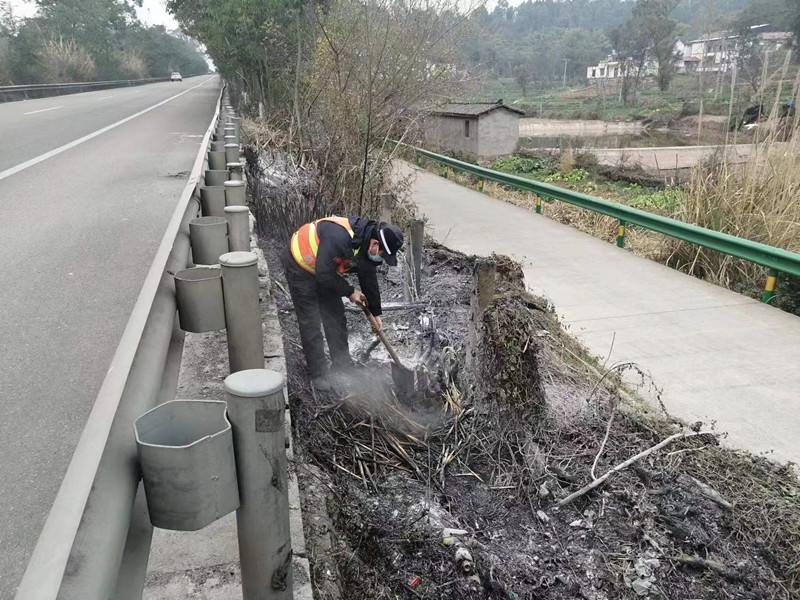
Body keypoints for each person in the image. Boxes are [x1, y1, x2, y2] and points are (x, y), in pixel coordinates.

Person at [283, 216, 404, 391]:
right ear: (375, 244)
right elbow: (323, 275)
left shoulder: (365, 243)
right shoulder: (339, 237)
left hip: (324, 270)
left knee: (336, 315)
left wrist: (376, 312)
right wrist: (349, 292)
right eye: (382, 255)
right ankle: (318, 374)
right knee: (311, 321)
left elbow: (368, 276)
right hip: (300, 264)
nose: (381, 259)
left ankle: (342, 364)